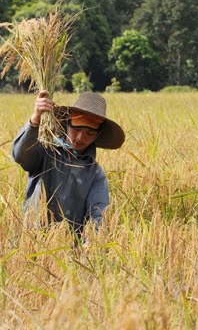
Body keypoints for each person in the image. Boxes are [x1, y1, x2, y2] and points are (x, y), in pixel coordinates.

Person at [12, 90, 125, 238]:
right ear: (67, 123)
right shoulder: (46, 151)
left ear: (97, 135)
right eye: (76, 129)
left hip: (69, 246)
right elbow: (20, 155)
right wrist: (35, 120)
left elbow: (98, 213)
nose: (80, 138)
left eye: (89, 134)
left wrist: (92, 240)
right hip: (31, 239)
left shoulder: (95, 174)